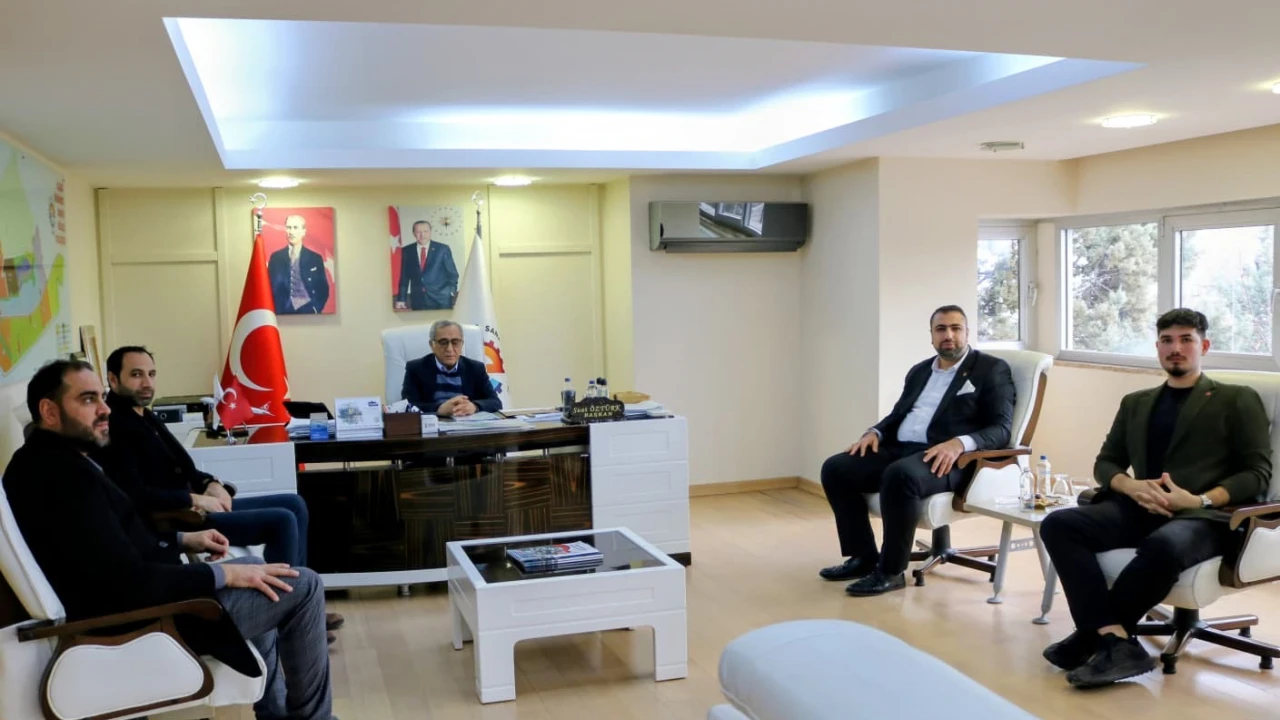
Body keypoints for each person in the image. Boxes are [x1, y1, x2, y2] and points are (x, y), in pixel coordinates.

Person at [3, 360, 337, 720]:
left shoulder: (46, 462)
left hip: (142, 603)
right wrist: (224, 574)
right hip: (142, 623)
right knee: (303, 586)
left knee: (261, 571)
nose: (104, 409)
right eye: (88, 399)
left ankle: (275, 714)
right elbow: (127, 581)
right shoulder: (63, 479)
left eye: (101, 397)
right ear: (49, 411)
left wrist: (182, 540)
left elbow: (112, 545)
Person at [1039, 308, 1270, 688]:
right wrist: (1129, 486)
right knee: (1059, 524)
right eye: (1167, 340)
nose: (1175, 348)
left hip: (1206, 517)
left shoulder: (1236, 399)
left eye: (1186, 339)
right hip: (1142, 506)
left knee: (1163, 545)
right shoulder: (1136, 402)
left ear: (1204, 346)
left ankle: (1092, 637)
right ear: (1158, 347)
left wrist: (1198, 500)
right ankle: (1114, 639)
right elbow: (1106, 462)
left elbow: (1257, 473)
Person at [96, 345, 343, 637]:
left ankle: (300, 607)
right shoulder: (116, 425)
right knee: (282, 520)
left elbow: (184, 467)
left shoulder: (143, 416)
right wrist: (193, 498)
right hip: (180, 519)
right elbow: (134, 495)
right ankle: (287, 617)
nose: (147, 382)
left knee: (294, 504)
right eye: (136, 375)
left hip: (196, 505)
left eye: (151, 374)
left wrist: (212, 483)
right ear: (113, 379)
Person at [818, 305, 1016, 597]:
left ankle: (891, 571)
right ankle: (863, 558)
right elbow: (898, 415)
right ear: (932, 335)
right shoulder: (920, 371)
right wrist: (875, 432)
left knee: (900, 476)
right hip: (900, 447)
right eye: (941, 329)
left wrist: (960, 442)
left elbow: (1001, 429)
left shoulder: (991, 369)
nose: (948, 335)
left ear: (967, 332)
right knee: (836, 468)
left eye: (956, 328)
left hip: (950, 457)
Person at [401, 319, 501, 416]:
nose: (449, 349)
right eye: (443, 342)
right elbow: (407, 406)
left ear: (462, 344)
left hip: (466, 423)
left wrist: (475, 406)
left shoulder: (475, 368)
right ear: (432, 345)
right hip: (434, 424)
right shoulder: (416, 369)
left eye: (455, 342)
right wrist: (439, 409)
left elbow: (495, 402)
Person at [267, 214, 330, 315]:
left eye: (295, 228)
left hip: (308, 310)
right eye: (288, 227)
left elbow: (323, 288)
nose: (291, 232)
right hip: (282, 311)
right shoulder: (276, 258)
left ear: (303, 231)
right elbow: (268, 286)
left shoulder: (315, 258)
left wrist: (315, 309)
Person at [395, 220, 459, 310]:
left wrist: (450, 291)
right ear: (414, 233)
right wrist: (401, 299)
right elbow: (404, 277)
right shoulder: (407, 250)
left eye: (425, 231)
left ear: (430, 232)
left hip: (441, 300)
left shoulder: (442, 249)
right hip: (418, 299)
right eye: (418, 232)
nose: (422, 235)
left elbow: (452, 273)